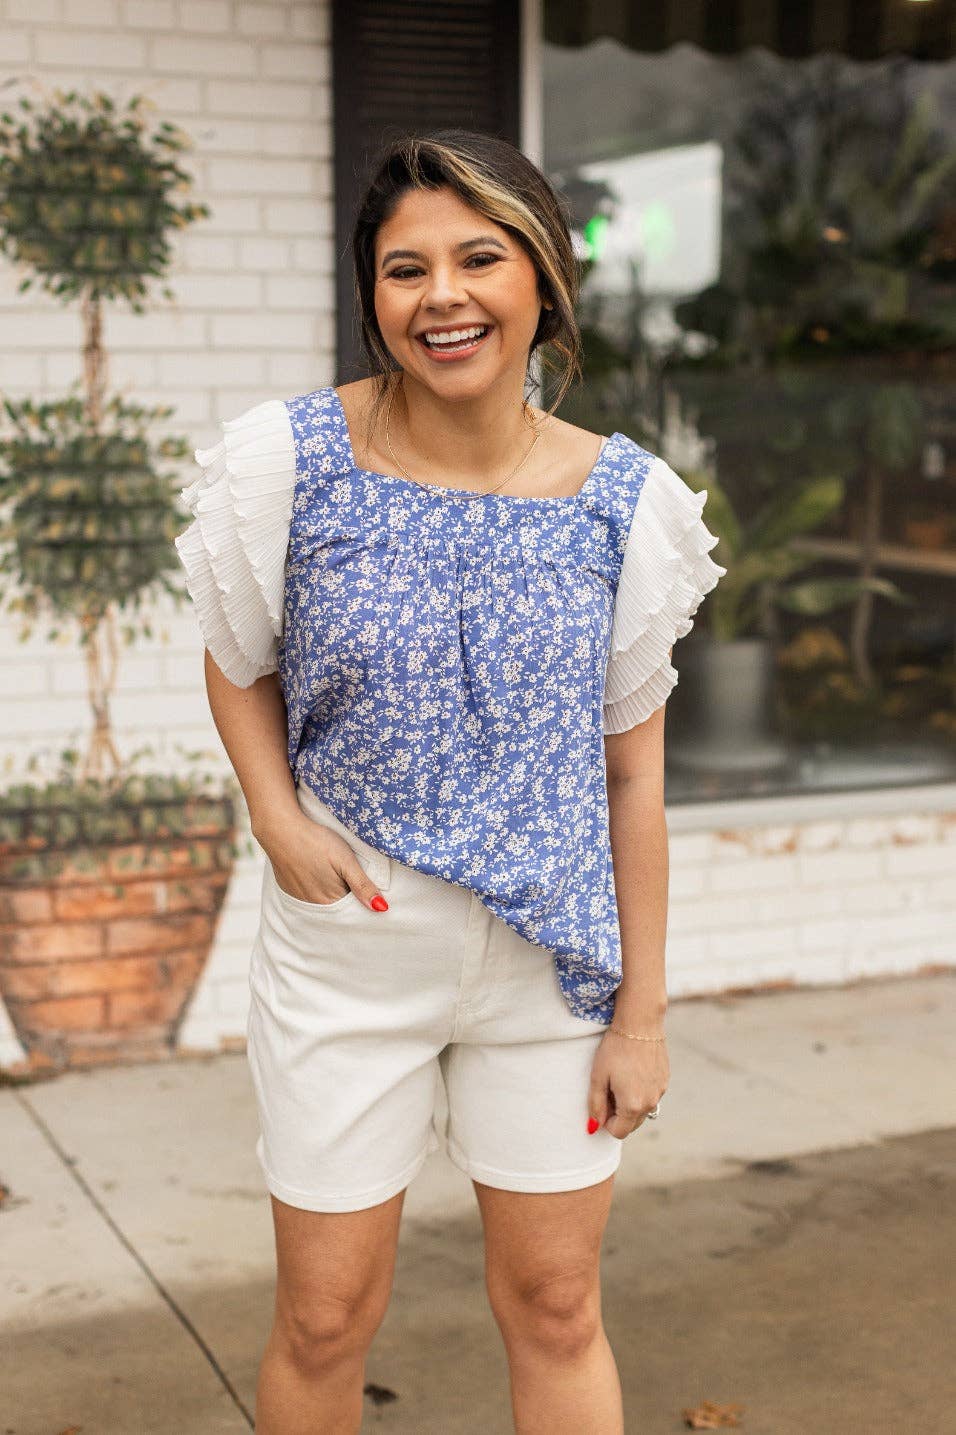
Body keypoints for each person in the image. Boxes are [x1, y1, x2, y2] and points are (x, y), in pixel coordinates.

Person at [175, 128, 726, 1435]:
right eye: (405, 268)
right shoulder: (291, 461)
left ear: (542, 279)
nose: (443, 297)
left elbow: (632, 780)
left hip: (551, 972)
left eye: (480, 258)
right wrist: (275, 816)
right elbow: (238, 657)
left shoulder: (626, 503)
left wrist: (641, 1015)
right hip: (349, 954)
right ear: (372, 295)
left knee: (557, 1306)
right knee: (324, 1318)